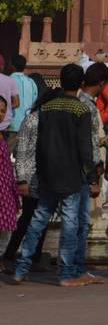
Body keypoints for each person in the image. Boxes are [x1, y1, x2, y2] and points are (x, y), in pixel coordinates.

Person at [9, 63, 101, 286]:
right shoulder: (81, 109)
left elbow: (39, 144)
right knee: (69, 223)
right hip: (70, 175)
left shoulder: (47, 108)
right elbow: (85, 148)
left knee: (38, 221)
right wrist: (92, 177)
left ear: (60, 81)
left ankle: (21, 269)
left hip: (47, 173)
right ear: (81, 84)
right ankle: (67, 274)